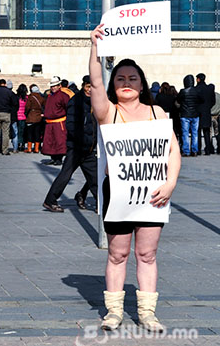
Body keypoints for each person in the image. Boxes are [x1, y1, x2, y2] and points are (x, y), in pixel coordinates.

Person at [89, 25, 181, 333]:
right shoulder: (108, 113)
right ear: (113, 85)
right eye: (120, 78)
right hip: (117, 192)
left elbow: (172, 152)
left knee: (147, 253)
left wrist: (170, 183)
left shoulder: (157, 113)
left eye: (132, 78)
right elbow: (96, 82)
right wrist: (95, 48)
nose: (126, 83)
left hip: (153, 192)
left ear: (142, 85)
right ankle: (113, 311)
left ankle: (147, 313)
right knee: (118, 253)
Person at [42, 76, 98, 213]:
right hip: (77, 147)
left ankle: (102, 202)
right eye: (87, 87)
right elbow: (71, 124)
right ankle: (50, 201)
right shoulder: (76, 101)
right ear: (83, 86)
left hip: (88, 148)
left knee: (95, 177)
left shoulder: (95, 101)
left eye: (92, 87)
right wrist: (80, 140)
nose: (90, 90)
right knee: (65, 175)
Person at [41, 76, 70, 165]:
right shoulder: (49, 96)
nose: (53, 88)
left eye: (55, 86)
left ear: (59, 86)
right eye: (52, 86)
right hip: (50, 123)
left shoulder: (64, 96)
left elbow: (68, 108)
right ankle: (53, 158)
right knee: (50, 141)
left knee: (59, 141)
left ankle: (59, 159)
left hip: (59, 122)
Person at [177, 74, 202, 157]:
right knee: (195, 133)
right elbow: (202, 100)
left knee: (185, 133)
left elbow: (178, 100)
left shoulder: (183, 91)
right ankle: (194, 151)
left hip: (185, 114)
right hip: (195, 114)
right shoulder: (197, 91)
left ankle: (186, 151)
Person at [195, 73, 215, 155]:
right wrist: (208, 107)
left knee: (198, 132)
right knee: (207, 132)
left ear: (198, 79)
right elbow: (213, 101)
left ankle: (198, 149)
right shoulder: (209, 89)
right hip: (207, 112)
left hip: (198, 112)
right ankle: (208, 149)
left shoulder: (196, 89)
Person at [24, 84, 45, 153]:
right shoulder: (41, 97)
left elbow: (27, 107)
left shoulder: (31, 97)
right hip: (39, 117)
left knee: (29, 133)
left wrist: (26, 113)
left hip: (31, 116)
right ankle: (36, 148)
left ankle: (29, 148)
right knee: (37, 133)